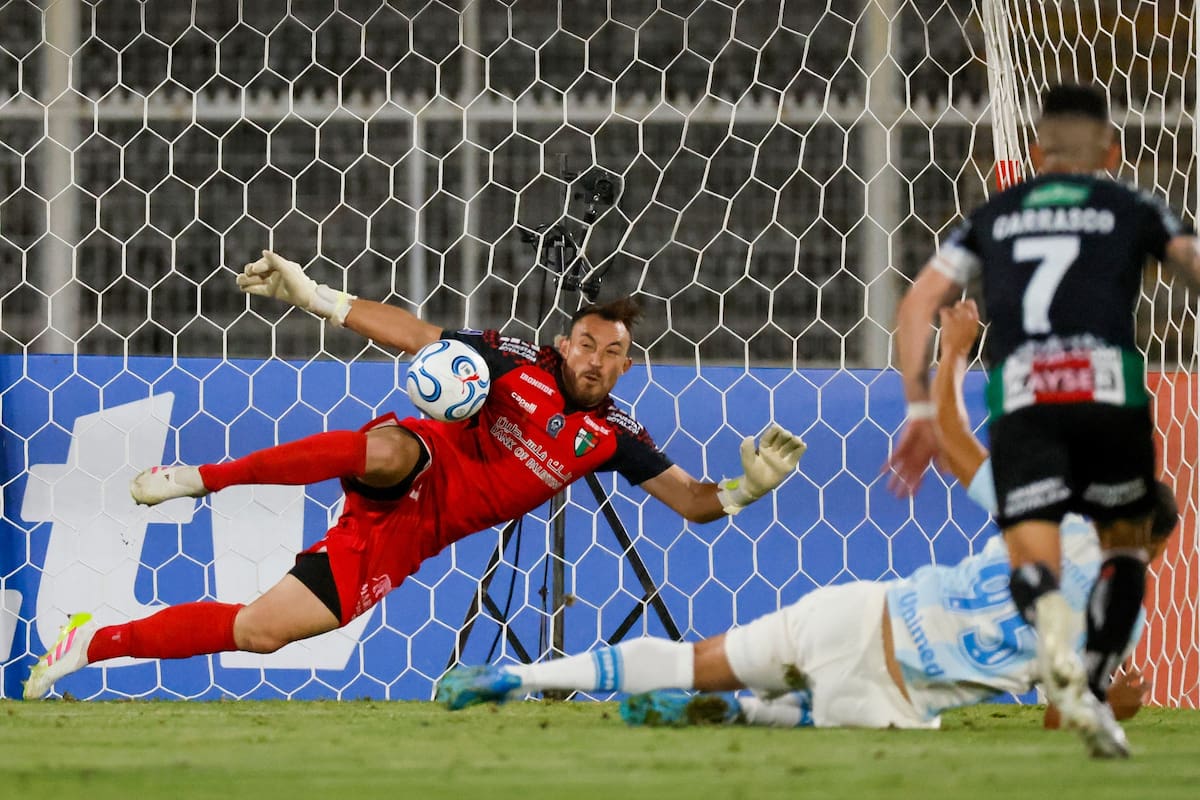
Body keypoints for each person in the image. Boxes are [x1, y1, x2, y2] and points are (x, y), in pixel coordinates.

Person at [23, 251, 806, 699]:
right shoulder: (515, 365)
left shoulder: (614, 437)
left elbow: (694, 502)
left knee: (260, 632)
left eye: (614, 353)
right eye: (586, 345)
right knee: (393, 449)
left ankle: (91, 641)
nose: (597, 361)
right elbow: (419, 337)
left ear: (628, 364)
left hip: (406, 538)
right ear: (564, 345)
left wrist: (748, 488)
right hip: (418, 462)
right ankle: (202, 476)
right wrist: (316, 295)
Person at [436, 301, 1175, 740]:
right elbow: (1065, 720)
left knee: (696, 660)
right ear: (1157, 546)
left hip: (863, 611)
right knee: (890, 723)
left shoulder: (1047, 522)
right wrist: (1117, 696)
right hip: (899, 694)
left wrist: (951, 353)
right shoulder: (1120, 621)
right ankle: (755, 717)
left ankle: (517, 674)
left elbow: (952, 436)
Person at [884, 83, 1200, 756]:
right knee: (1122, 547)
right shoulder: (1133, 204)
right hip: (1108, 394)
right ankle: (1090, 681)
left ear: (1035, 151)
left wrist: (920, 404)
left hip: (1025, 399)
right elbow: (1191, 265)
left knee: (1033, 559)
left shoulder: (993, 215)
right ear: (1111, 151)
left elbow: (917, 305)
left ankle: (1051, 616)